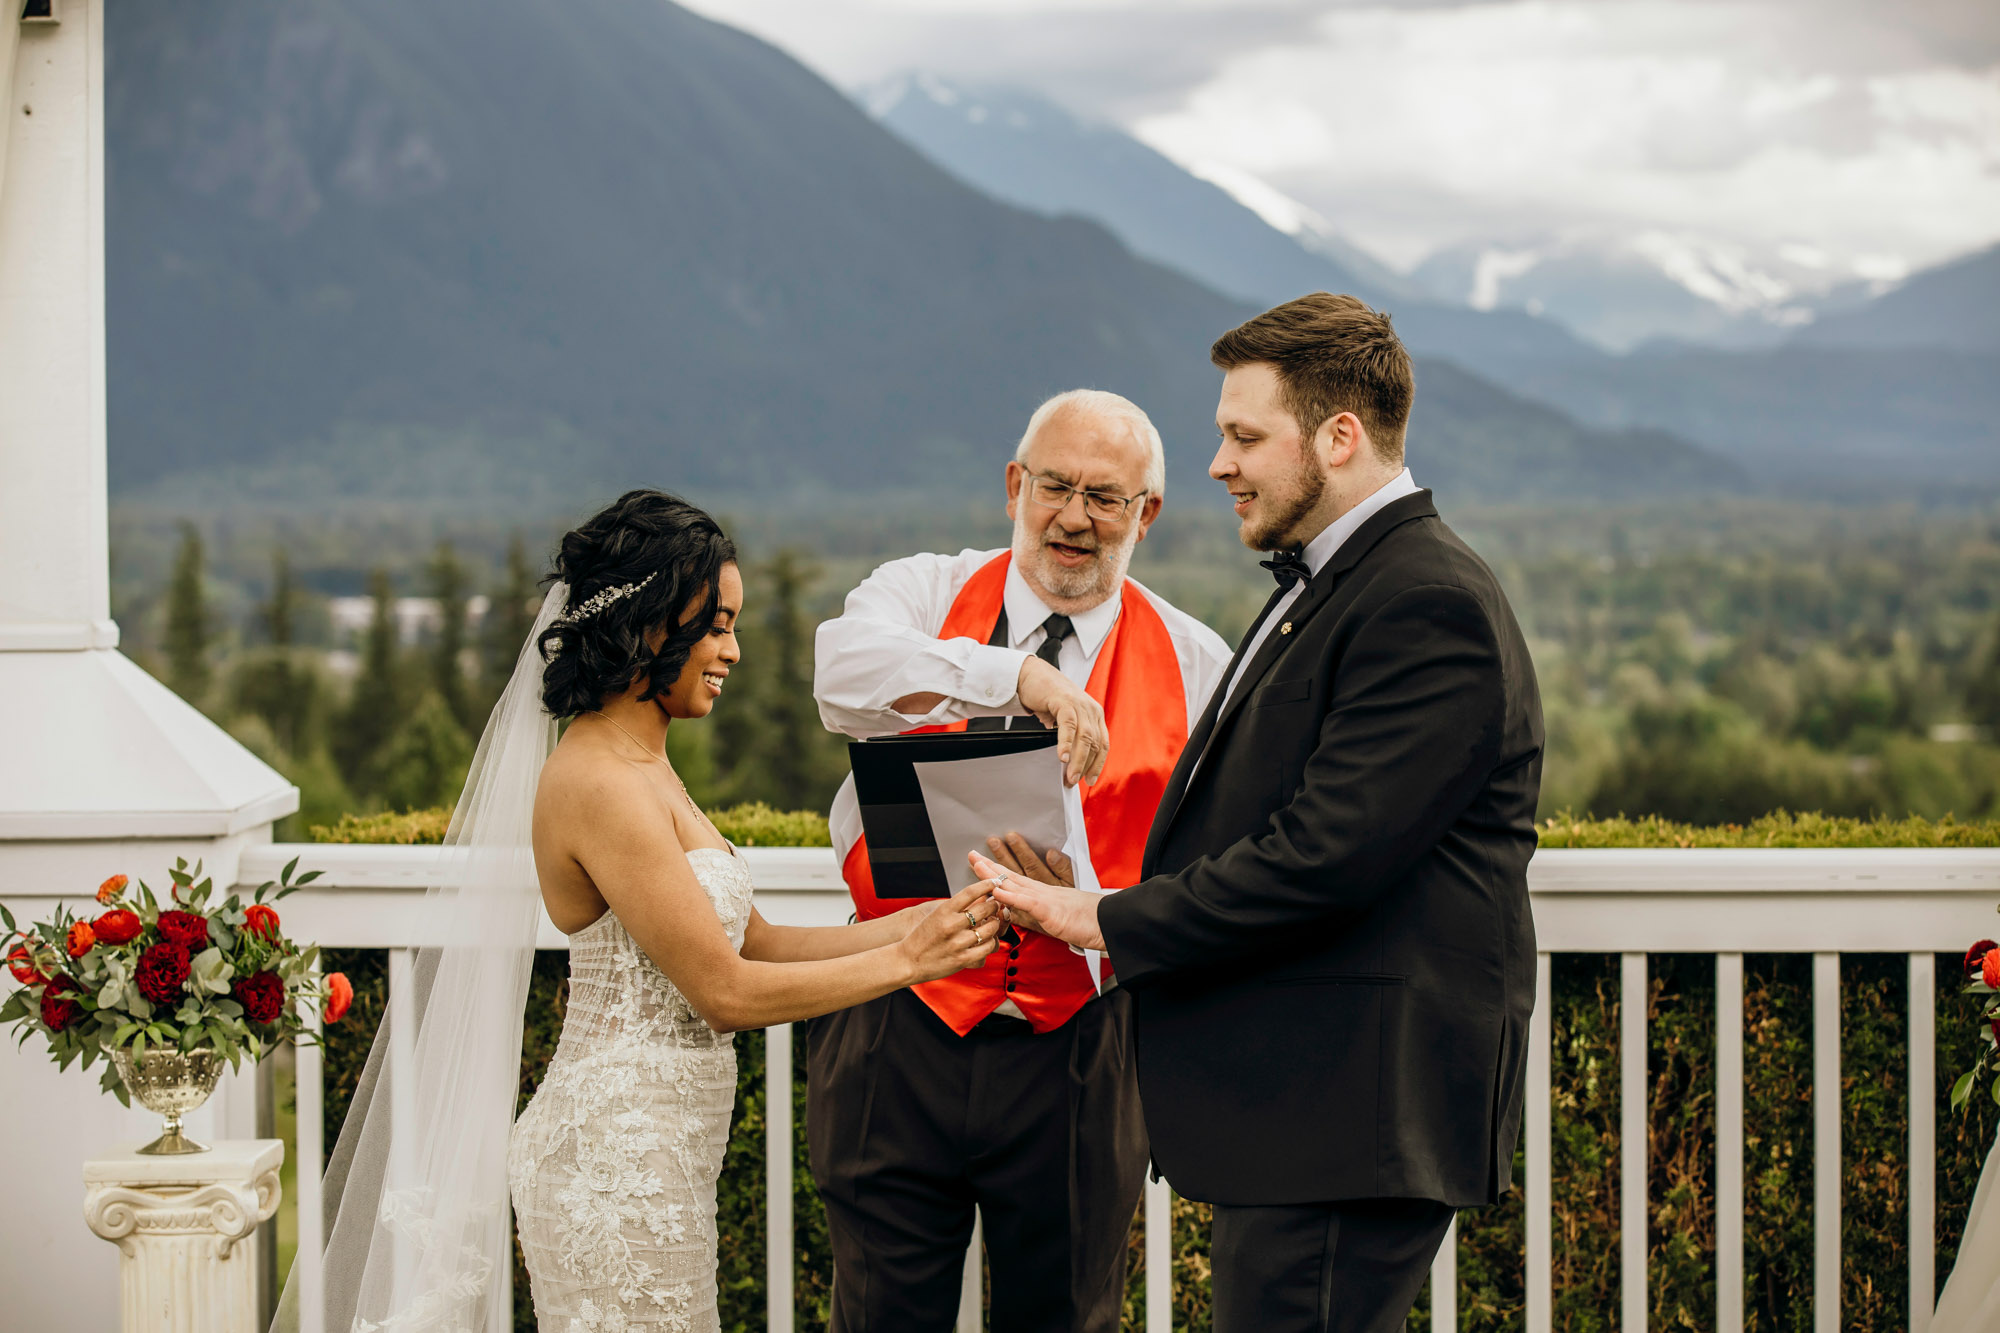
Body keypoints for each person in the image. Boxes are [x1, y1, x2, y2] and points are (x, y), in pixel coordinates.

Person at [293, 490, 1004, 1333]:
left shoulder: (646, 764)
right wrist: (907, 962)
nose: (733, 651)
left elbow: (759, 940)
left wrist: (943, 919)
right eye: (717, 625)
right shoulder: (599, 780)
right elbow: (725, 992)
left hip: (660, 1152)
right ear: (648, 624)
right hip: (613, 1156)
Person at [980, 295, 1545, 1333]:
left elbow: (1321, 856)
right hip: (1310, 1113)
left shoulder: (1426, 600)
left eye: (1243, 436)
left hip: (1348, 1115)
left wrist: (1100, 919)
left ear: (1337, 437)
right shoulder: (1339, 584)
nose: (1216, 465)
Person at [811, 390, 1231, 1331]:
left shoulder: (1199, 662)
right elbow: (838, 675)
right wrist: (1013, 675)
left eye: (1106, 496)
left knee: (1070, 1317)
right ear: (1015, 485)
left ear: (1146, 515)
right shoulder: (920, 592)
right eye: (1055, 486)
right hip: (897, 1015)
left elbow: (1218, 866)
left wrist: (1095, 903)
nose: (1073, 516)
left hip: (1079, 1046)